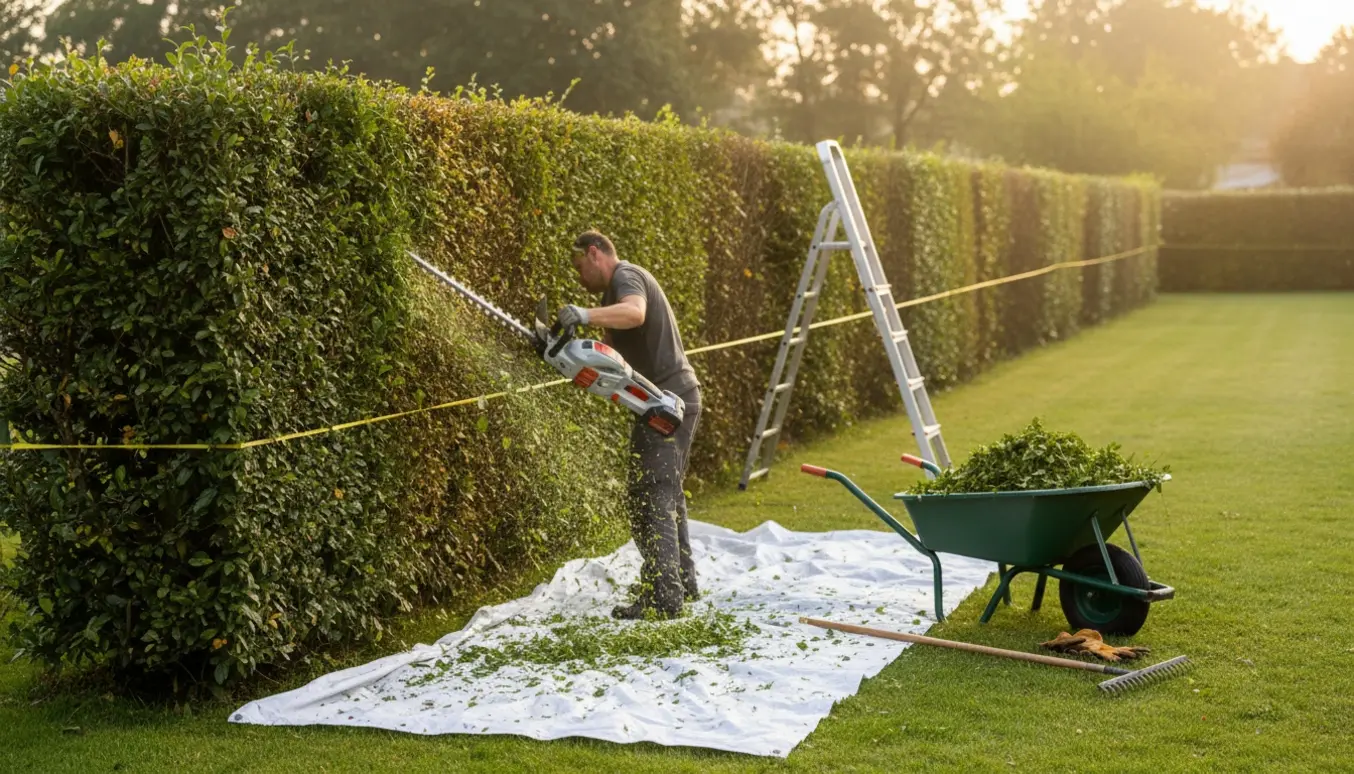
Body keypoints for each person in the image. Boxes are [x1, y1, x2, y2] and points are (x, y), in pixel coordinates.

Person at [558, 230, 702, 620]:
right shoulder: (610, 297)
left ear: (594, 253)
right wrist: (563, 350)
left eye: (579, 267)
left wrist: (583, 316)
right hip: (664, 401)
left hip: (669, 402)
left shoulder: (626, 277)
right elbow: (613, 361)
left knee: (650, 495)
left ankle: (663, 596)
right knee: (667, 493)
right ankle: (682, 582)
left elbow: (635, 311)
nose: (579, 278)